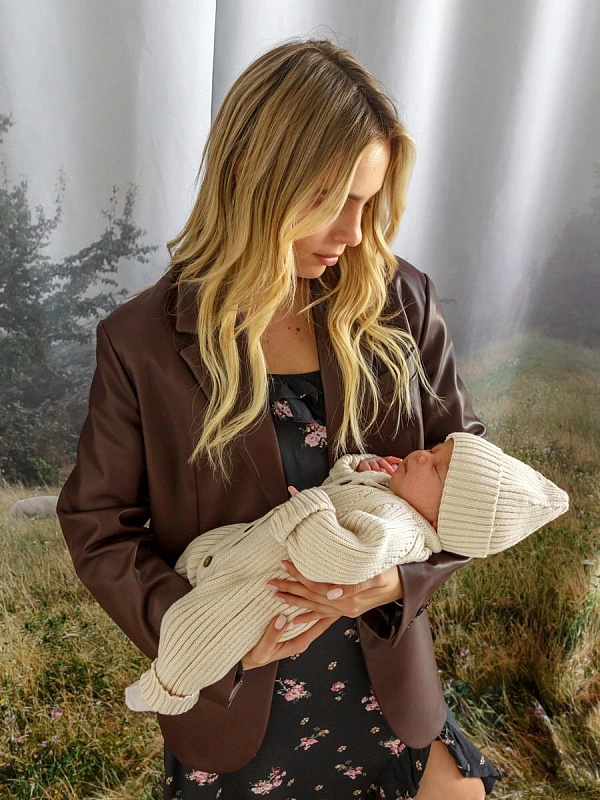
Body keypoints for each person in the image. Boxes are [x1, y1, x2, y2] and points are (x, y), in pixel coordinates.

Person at [56, 37, 506, 799]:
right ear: (248, 175)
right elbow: (98, 526)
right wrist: (215, 641)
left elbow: (470, 475)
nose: (354, 233)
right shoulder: (141, 342)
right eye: (331, 202)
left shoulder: (401, 302)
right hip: (237, 707)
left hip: (391, 690)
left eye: (367, 201)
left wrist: (398, 582)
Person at [124, 432, 568, 715]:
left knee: (194, 627)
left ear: (447, 517)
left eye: (437, 468)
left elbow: (342, 560)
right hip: (247, 554)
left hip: (264, 596)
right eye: (434, 450)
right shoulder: (396, 496)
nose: (420, 456)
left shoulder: (401, 530)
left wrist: (309, 507)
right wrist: (359, 468)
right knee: (200, 560)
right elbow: (341, 485)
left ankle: (165, 689)